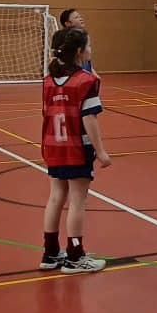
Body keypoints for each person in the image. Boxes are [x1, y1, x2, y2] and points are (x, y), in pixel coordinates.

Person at [40, 26, 112, 273]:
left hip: (53, 146)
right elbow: (89, 118)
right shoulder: (86, 81)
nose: (91, 49)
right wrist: (101, 151)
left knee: (55, 197)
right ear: (80, 51)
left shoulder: (48, 81)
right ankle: (74, 256)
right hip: (76, 148)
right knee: (78, 201)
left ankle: (50, 253)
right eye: (89, 45)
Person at [59, 8, 93, 73]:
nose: (81, 19)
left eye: (80, 16)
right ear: (67, 23)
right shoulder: (65, 40)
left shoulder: (84, 36)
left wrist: (95, 75)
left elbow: (88, 64)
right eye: (76, 17)